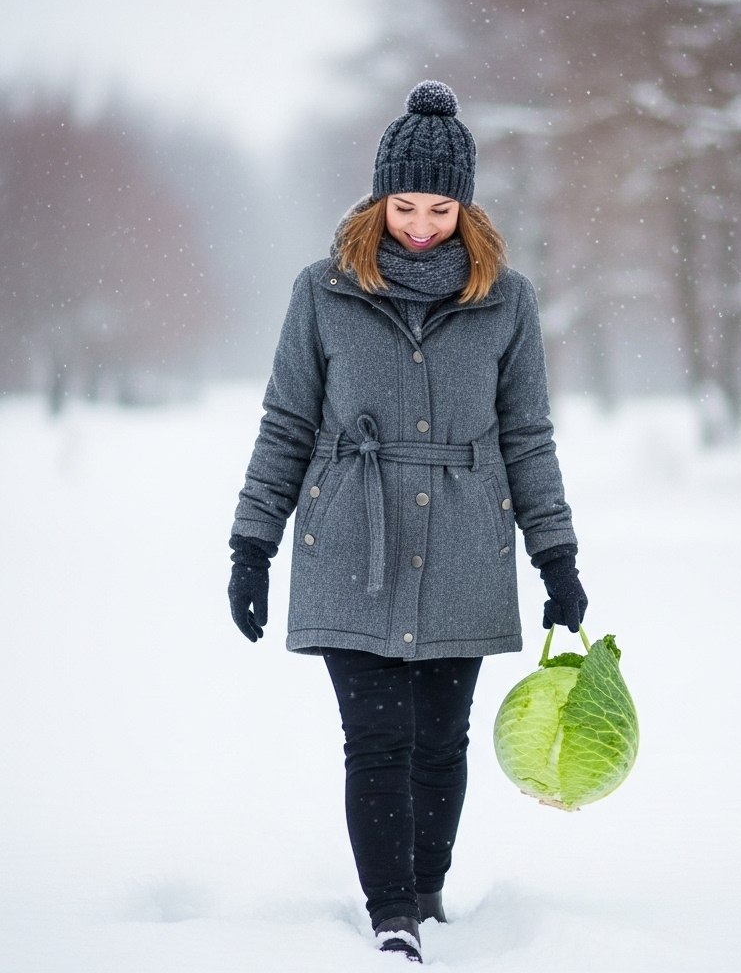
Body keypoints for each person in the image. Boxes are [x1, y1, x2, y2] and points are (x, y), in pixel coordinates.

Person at [227, 80, 587, 964]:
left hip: (465, 541)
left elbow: (528, 437)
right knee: (377, 739)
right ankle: (392, 914)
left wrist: (558, 556)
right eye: (404, 205)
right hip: (351, 537)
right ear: (378, 199)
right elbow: (286, 422)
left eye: (439, 207)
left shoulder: (509, 300)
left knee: (440, 743)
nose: (420, 225)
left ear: (466, 207)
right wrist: (252, 543)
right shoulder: (324, 291)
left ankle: (427, 891)